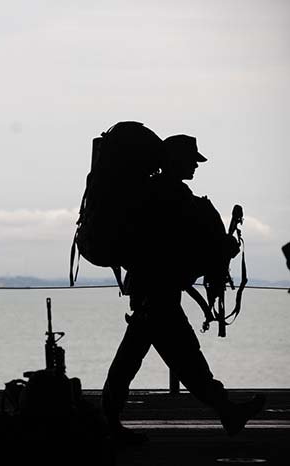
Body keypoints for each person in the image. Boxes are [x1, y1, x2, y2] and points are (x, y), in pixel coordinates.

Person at [101, 134, 266, 445]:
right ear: (175, 160)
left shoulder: (156, 193)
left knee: (143, 358)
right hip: (157, 292)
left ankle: (108, 420)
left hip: (152, 291)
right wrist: (226, 246)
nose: (195, 165)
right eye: (191, 160)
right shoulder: (171, 194)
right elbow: (191, 243)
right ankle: (226, 410)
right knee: (184, 359)